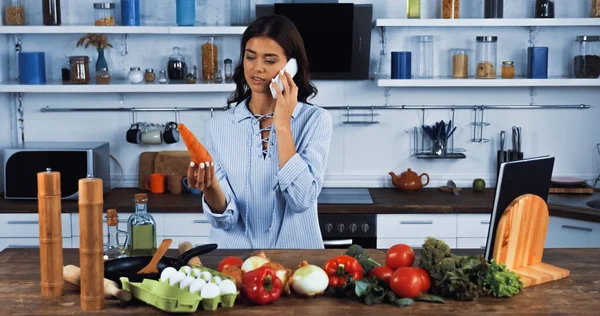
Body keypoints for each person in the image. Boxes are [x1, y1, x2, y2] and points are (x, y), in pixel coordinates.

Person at [186, 15, 333, 249]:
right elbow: (225, 218)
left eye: (270, 60)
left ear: (291, 67)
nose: (257, 68)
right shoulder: (219, 126)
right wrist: (210, 185)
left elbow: (302, 199)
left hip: (297, 262)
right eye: (250, 56)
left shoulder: (315, 121)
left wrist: (282, 124)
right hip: (235, 260)